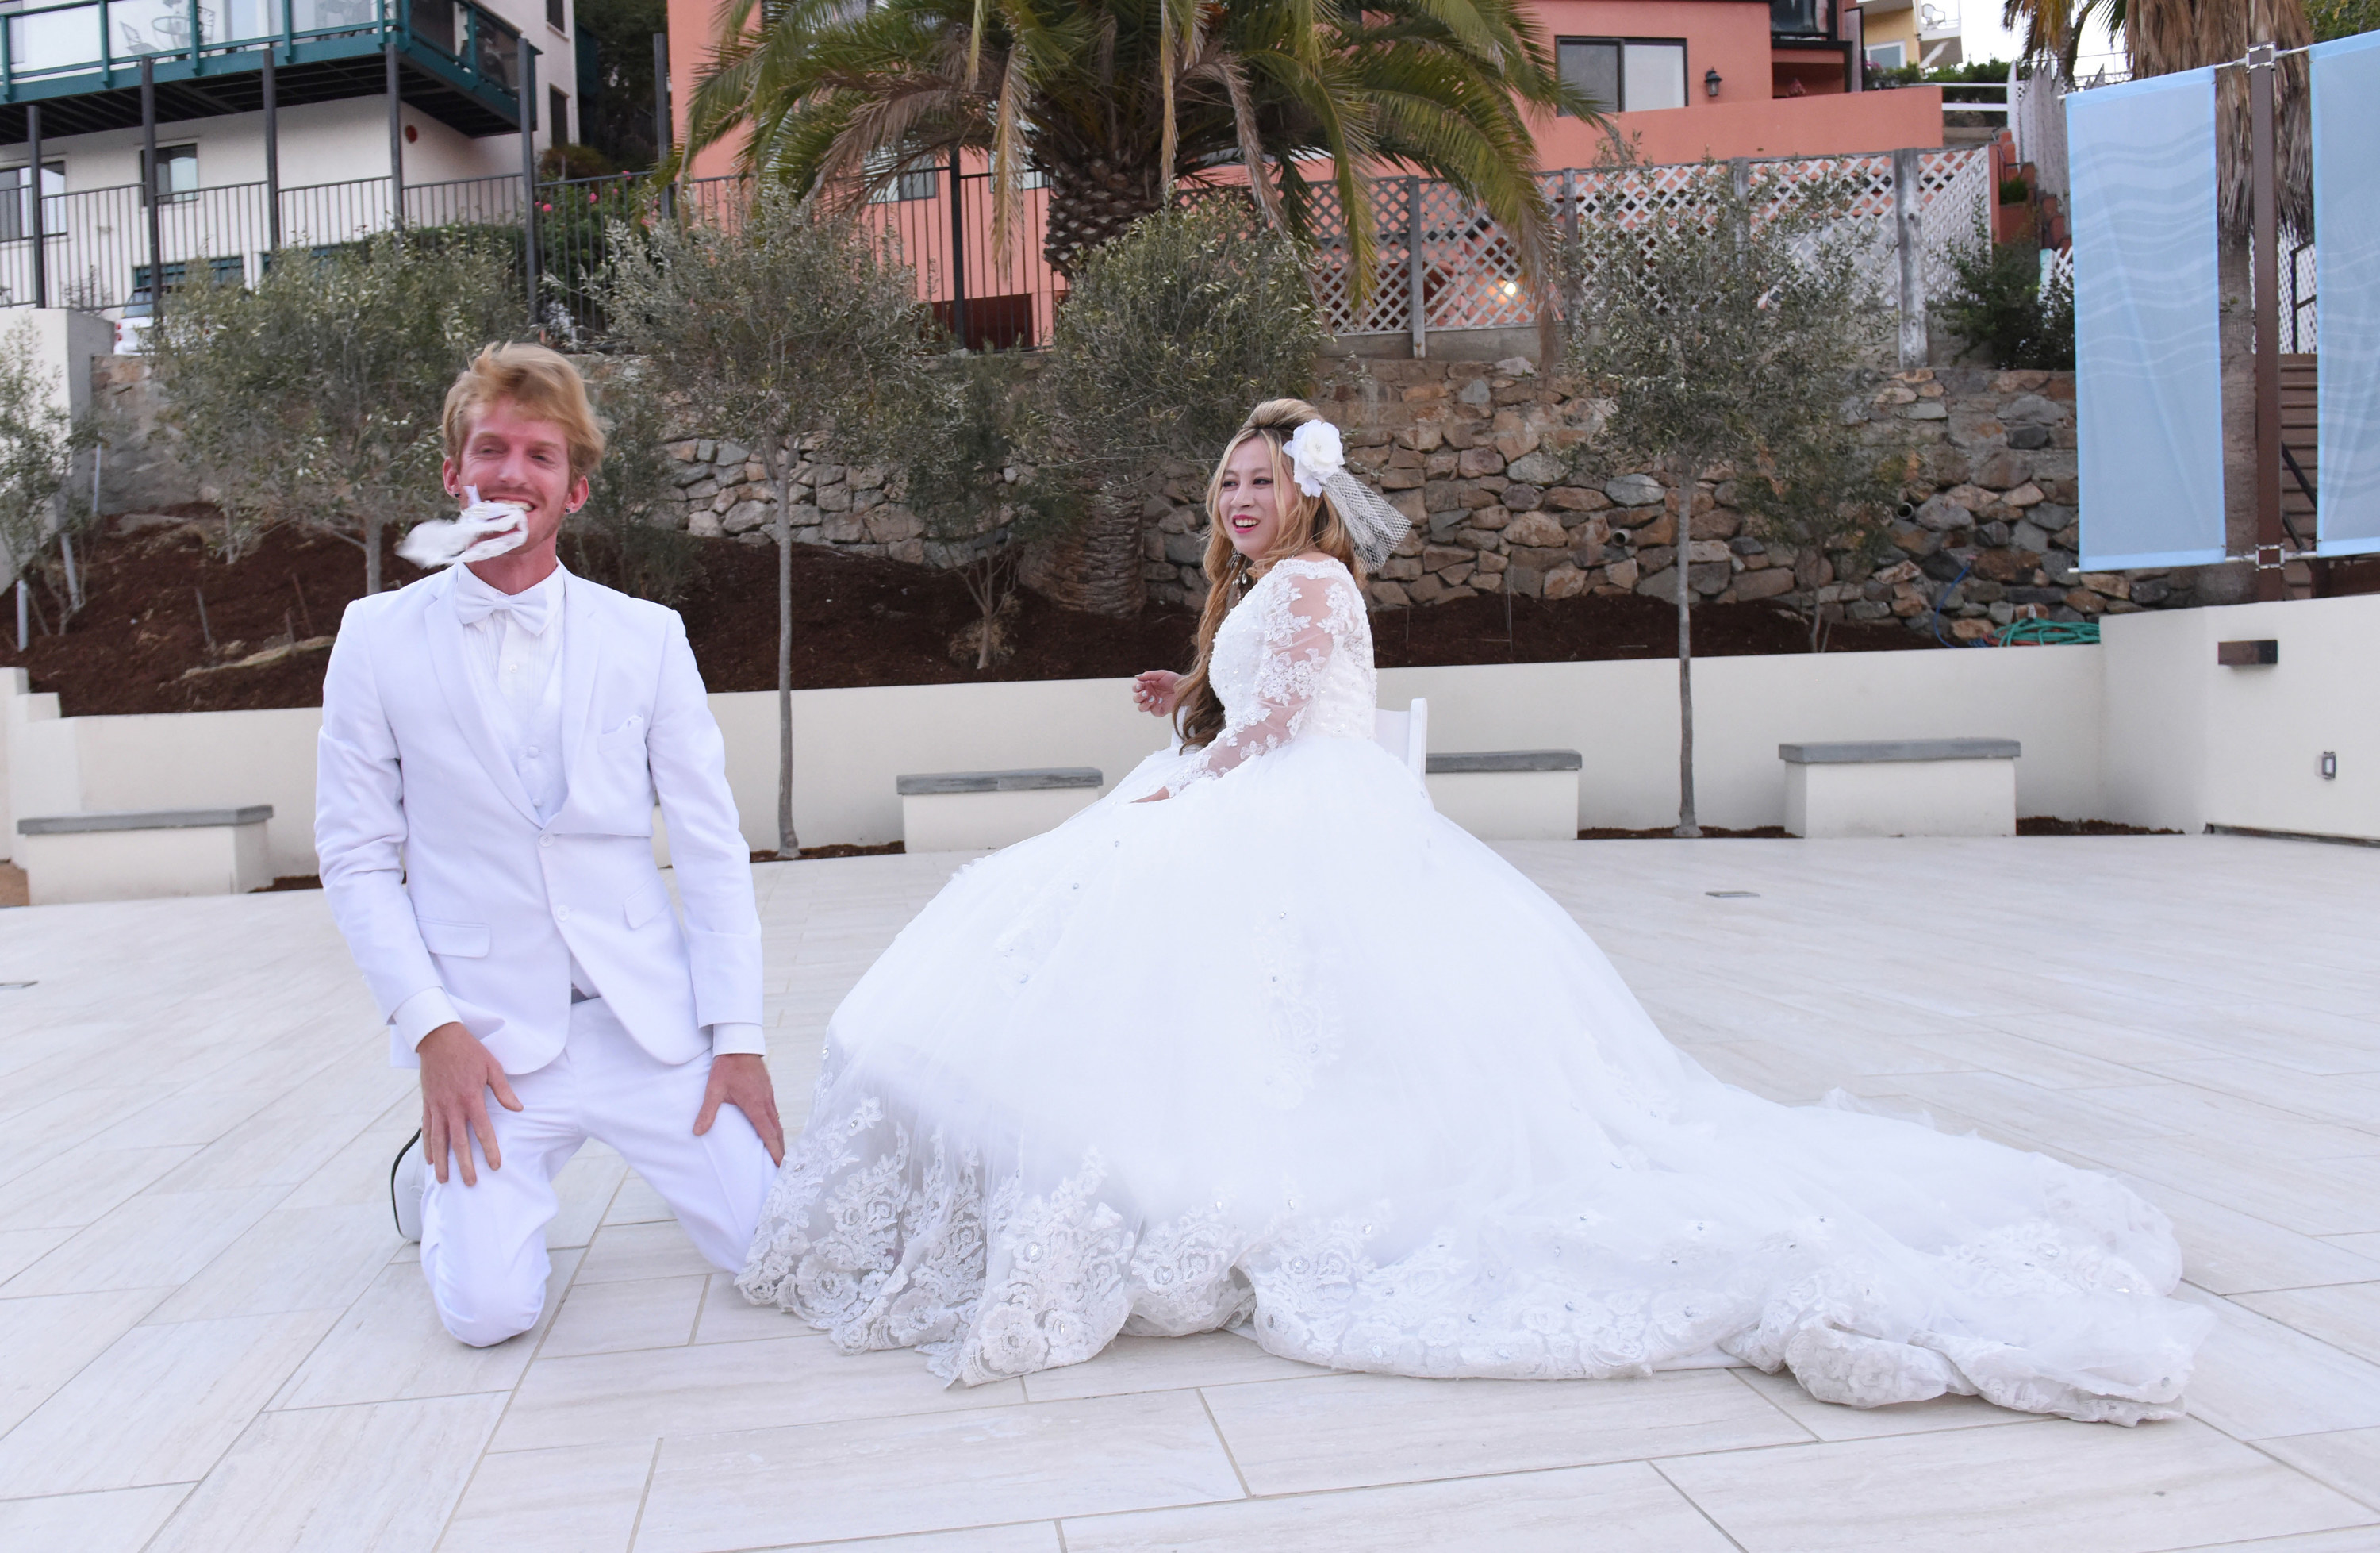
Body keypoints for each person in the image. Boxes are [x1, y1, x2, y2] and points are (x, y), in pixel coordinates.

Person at [740, 398, 2209, 1421]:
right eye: (1227, 483)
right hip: (1256, 790)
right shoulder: (1266, 584)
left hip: (1297, 809)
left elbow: (1296, 720)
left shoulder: (1310, 579)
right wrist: (1184, 698)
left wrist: (1200, 759)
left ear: (1305, 492)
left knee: (1212, 983)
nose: (1238, 498)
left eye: (1260, 479)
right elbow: (1247, 705)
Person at [317, 342, 781, 1347]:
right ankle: (430, 1187)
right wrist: (434, 1032)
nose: (510, 475)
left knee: (777, 1250)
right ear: (454, 473)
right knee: (488, 1316)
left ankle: (661, 1161)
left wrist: (736, 1041)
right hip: (485, 1043)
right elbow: (356, 858)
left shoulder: (647, 636)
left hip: (643, 1021)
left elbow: (709, 847)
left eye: (539, 455)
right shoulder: (375, 637)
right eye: (491, 450)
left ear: (574, 488)